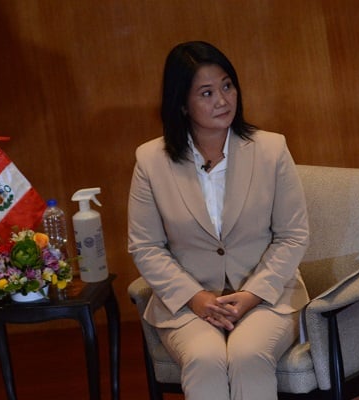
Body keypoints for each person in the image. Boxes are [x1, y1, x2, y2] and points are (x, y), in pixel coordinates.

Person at [128, 41, 310, 400]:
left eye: (227, 86)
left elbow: (293, 235)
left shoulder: (271, 149)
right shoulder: (150, 161)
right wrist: (195, 297)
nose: (223, 100)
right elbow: (145, 246)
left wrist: (252, 295)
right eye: (207, 93)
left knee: (247, 355)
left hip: (267, 295)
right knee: (205, 359)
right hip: (188, 301)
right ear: (182, 103)